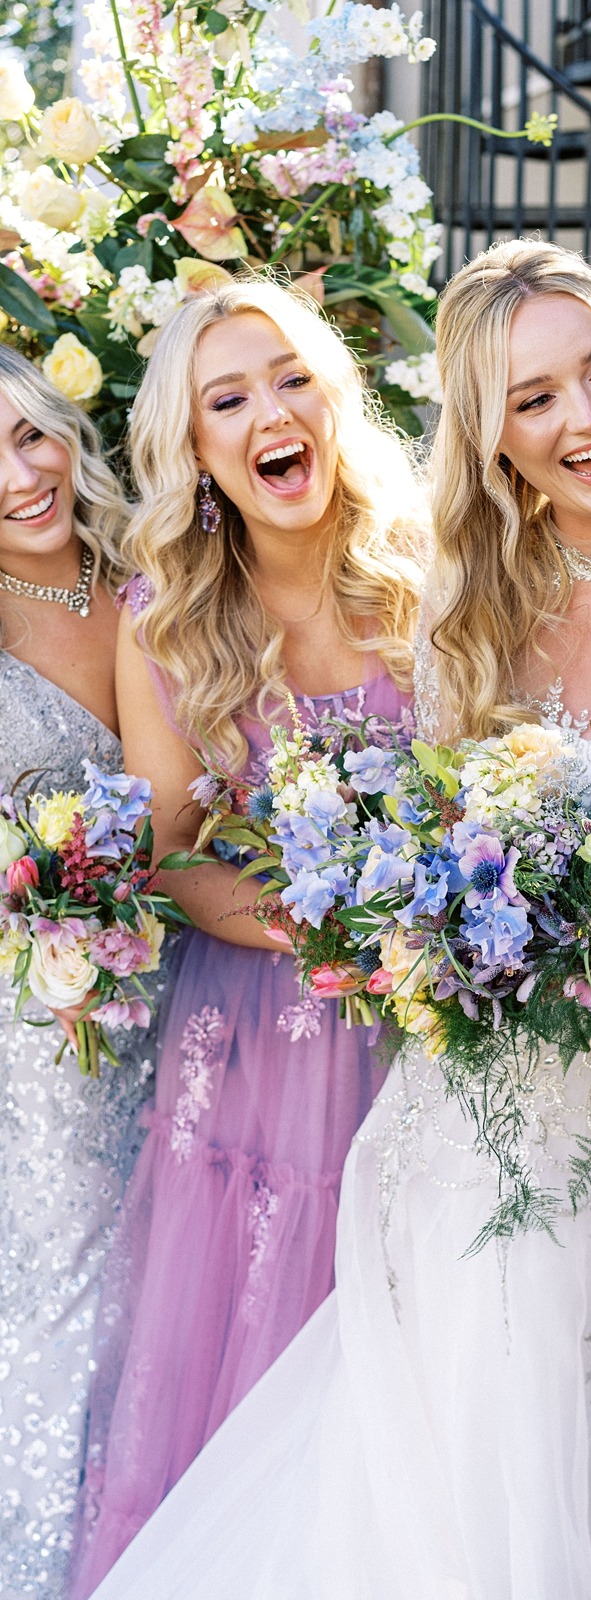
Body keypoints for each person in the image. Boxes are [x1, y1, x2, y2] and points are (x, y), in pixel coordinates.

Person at [79, 237, 591, 1600]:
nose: (584, 416)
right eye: (533, 397)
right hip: (511, 1123)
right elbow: (443, 858)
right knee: (486, 1489)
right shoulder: (467, 607)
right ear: (488, 434)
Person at [68, 277, 425, 1595]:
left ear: (333, 402)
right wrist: (317, 930)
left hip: (425, 1030)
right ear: (200, 451)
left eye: (290, 379)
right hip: (257, 1049)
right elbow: (165, 859)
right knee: (254, 1358)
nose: (270, 413)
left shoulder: (432, 574)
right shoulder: (166, 620)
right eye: (230, 399)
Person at [0, 348, 167, 1598]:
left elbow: (183, 805)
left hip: (180, 987)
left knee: (167, 1282)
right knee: (60, 1291)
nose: (22, 476)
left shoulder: (147, 585)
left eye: (32, 437)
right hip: (36, 1023)